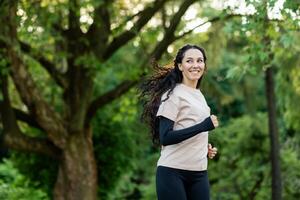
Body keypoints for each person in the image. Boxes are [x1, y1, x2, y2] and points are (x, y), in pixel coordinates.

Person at [139, 44, 219, 200]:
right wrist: (203, 127)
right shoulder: (173, 94)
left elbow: (187, 127)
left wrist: (203, 147)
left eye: (200, 60)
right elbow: (166, 137)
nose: (195, 65)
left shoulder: (199, 95)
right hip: (172, 172)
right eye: (189, 61)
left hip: (199, 172)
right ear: (180, 66)